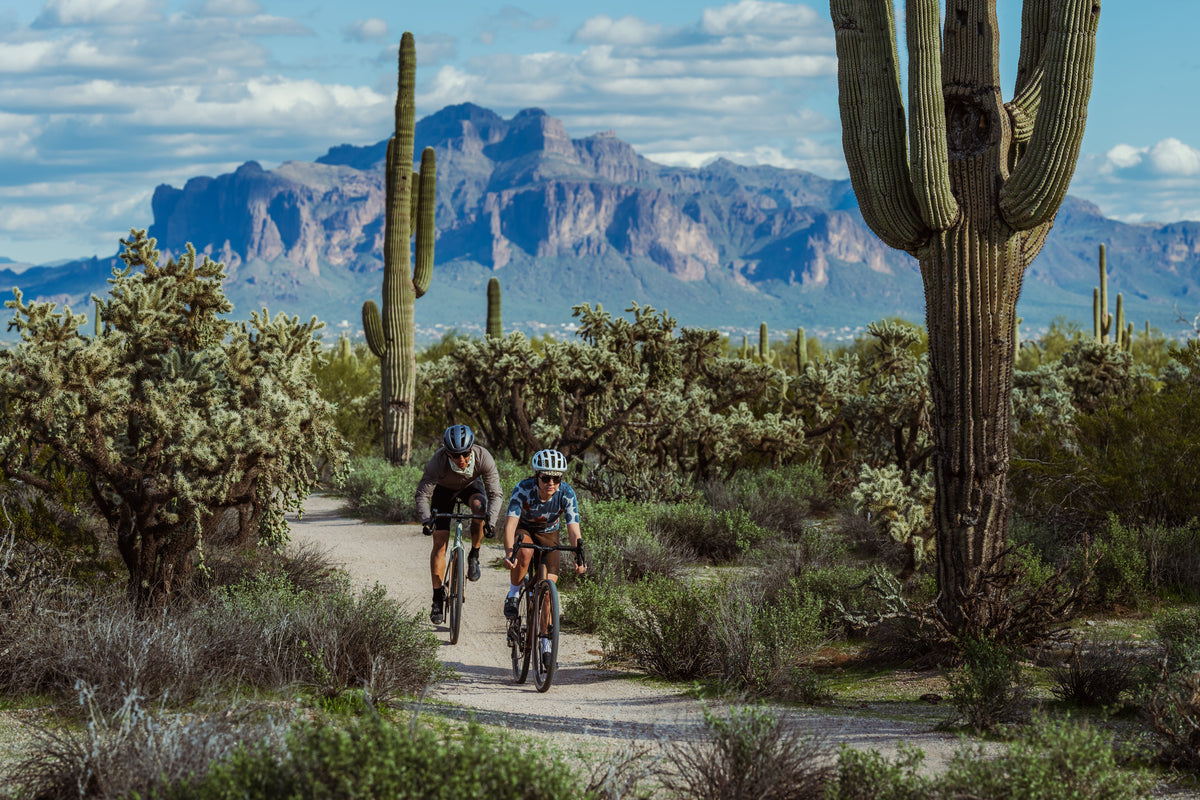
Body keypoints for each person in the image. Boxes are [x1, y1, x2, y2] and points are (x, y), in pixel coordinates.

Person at [501, 448, 587, 669]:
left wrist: (579, 556)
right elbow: (510, 525)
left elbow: (573, 529)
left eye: (556, 478)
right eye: (546, 478)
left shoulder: (566, 493)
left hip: (549, 533)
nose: (551, 483)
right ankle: (513, 593)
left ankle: (546, 646)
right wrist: (509, 553)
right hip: (525, 528)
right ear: (536, 476)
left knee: (548, 592)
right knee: (525, 552)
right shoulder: (523, 488)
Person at [415, 424, 504, 625]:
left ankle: (474, 554)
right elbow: (423, 494)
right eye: (455, 455)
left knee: (479, 508)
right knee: (439, 543)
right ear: (447, 452)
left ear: (472, 449)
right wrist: (427, 520)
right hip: (443, 491)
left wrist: (490, 521)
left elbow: (495, 493)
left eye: (465, 453)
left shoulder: (483, 457)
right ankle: (437, 598)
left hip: (471, 487)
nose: (461, 459)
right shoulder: (437, 461)